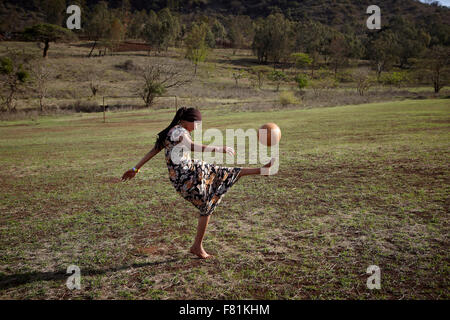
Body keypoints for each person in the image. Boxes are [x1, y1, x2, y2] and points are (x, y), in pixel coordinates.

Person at [121, 107, 275, 259]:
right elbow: (191, 145)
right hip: (187, 177)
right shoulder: (180, 131)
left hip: (190, 171)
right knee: (207, 205)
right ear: (187, 121)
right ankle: (197, 246)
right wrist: (218, 148)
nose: (198, 127)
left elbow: (153, 151)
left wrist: (136, 168)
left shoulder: (171, 131)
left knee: (223, 173)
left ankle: (261, 170)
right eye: (197, 124)